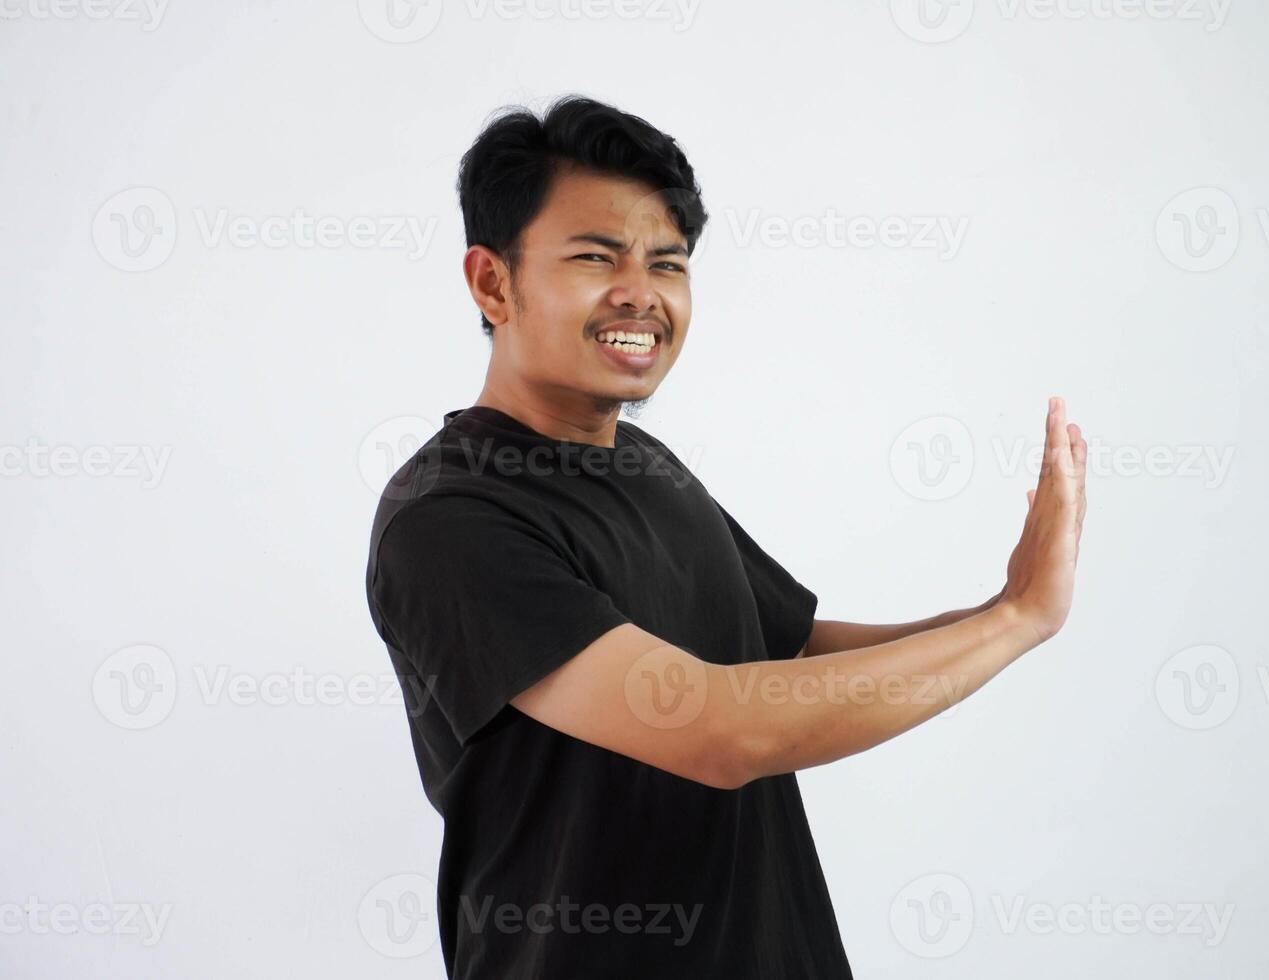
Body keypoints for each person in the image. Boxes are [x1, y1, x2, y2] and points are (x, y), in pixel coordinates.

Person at [363, 94, 1088, 979]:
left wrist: (1001, 605)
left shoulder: (646, 465)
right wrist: (1018, 623)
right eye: (596, 257)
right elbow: (716, 729)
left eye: (668, 263)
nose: (641, 292)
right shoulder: (449, 517)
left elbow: (789, 658)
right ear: (492, 282)